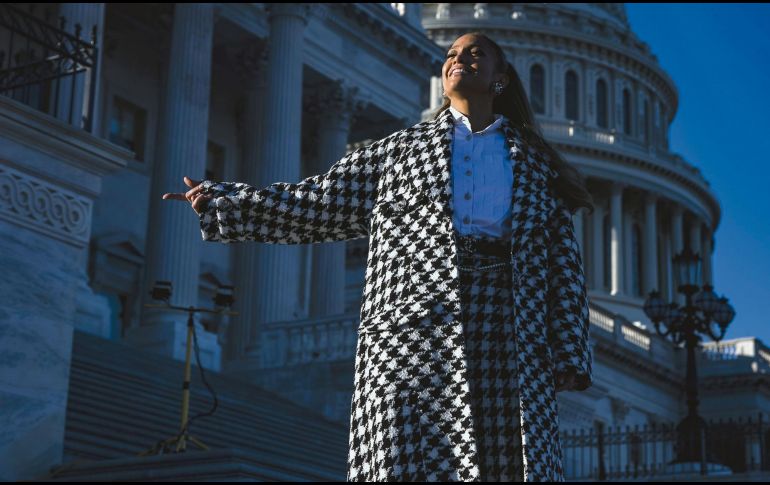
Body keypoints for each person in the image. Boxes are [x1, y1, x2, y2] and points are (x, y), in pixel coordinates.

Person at [163, 32, 594, 482]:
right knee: (404, 455)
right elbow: (318, 202)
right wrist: (223, 201)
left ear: (500, 79)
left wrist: (569, 349)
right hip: (411, 327)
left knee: (502, 455)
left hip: (507, 321)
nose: (458, 59)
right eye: (451, 54)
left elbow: (563, 261)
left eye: (475, 54)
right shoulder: (397, 152)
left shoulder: (535, 165)